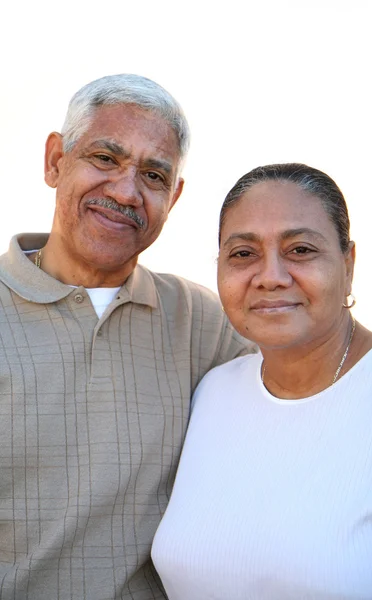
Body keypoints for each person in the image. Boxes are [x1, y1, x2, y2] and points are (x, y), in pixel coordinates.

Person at [0, 74, 253, 600]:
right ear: (55, 162)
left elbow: (319, 377)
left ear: (174, 197)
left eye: (154, 175)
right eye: (105, 158)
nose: (125, 190)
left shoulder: (201, 321)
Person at [152, 163, 372, 599]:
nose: (270, 277)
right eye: (243, 253)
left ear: (348, 262)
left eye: (301, 249)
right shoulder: (213, 392)